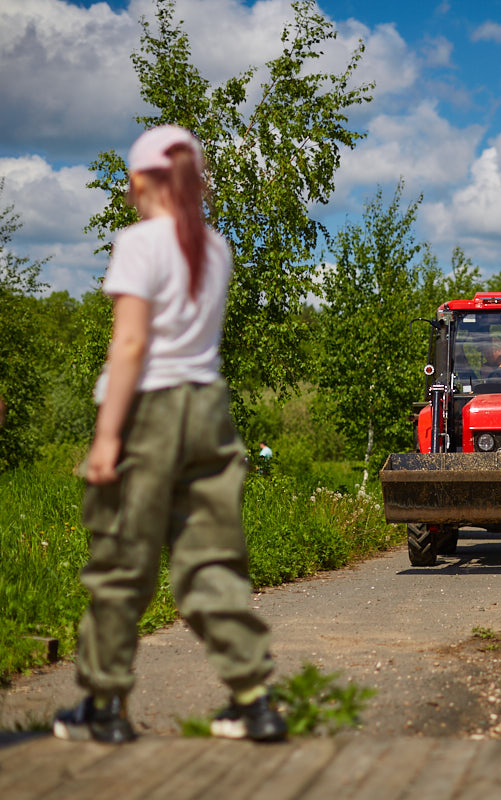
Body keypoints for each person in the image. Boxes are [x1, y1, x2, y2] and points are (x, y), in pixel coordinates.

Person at [53, 125, 287, 744]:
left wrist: (107, 439)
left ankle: (104, 708)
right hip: (209, 409)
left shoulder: (138, 242)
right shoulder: (214, 246)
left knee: (123, 558)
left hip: (149, 410)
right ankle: (253, 699)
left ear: (138, 180)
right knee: (211, 557)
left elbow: (130, 343)